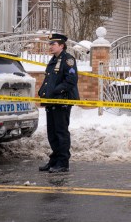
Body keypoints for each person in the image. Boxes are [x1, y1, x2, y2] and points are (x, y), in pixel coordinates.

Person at [38, 33, 80, 173]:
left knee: (61, 132)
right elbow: (50, 79)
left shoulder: (68, 60)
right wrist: (43, 91)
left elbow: (71, 80)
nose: (50, 46)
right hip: (51, 101)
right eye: (50, 44)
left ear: (61, 45)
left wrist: (55, 91)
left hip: (62, 101)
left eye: (53, 44)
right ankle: (55, 160)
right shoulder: (53, 60)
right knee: (52, 133)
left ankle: (63, 163)